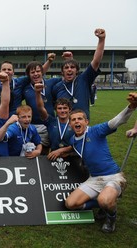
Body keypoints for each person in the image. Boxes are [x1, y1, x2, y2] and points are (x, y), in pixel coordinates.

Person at [65, 92, 137, 233]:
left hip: (113, 176)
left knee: (104, 200)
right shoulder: (73, 140)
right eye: (73, 120)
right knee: (70, 204)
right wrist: (61, 152)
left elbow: (116, 121)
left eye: (80, 119)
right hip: (94, 179)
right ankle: (102, 204)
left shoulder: (96, 131)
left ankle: (111, 217)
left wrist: (131, 107)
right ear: (70, 124)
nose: (77, 122)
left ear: (87, 122)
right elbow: (76, 149)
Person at [52, 28, 106, 119]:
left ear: (77, 71)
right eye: (66, 68)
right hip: (64, 127)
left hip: (82, 126)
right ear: (62, 72)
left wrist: (101, 40)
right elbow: (54, 106)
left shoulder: (84, 79)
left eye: (72, 67)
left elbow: (96, 61)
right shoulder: (56, 87)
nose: (69, 70)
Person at [34, 83, 75, 160]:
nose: (62, 111)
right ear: (55, 110)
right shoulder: (51, 121)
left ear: (70, 109)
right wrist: (38, 93)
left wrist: (61, 150)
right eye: (59, 108)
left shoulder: (75, 123)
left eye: (65, 108)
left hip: (72, 157)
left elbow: (79, 143)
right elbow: (40, 108)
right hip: (53, 157)